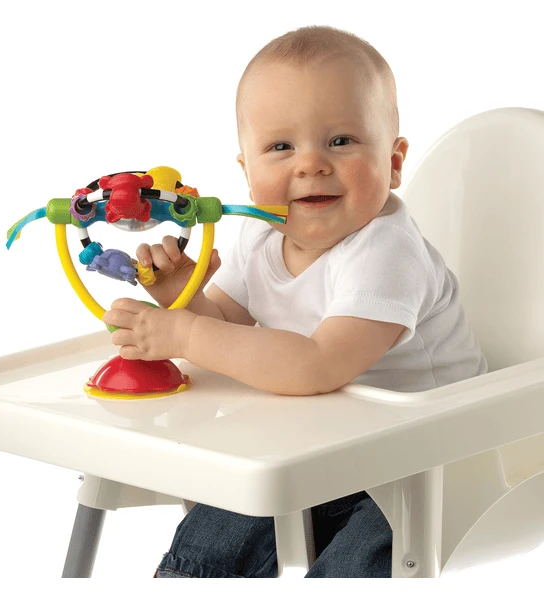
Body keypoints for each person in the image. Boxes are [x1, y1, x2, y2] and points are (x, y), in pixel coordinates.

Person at [103, 25, 487, 577]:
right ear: (248, 172)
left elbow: (316, 365)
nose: (310, 164)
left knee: (358, 562)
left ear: (394, 161)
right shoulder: (260, 235)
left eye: (341, 141)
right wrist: (182, 298)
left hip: (432, 465)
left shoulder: (386, 250)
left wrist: (184, 334)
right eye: (281, 147)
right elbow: (228, 328)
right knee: (216, 532)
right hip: (323, 445)